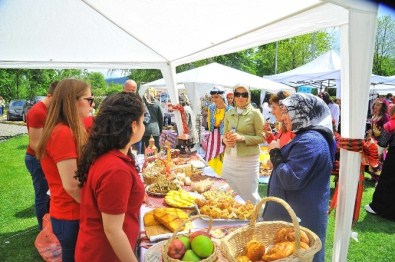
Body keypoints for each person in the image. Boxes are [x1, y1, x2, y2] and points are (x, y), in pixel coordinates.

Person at [262, 93, 335, 262]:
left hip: (301, 215)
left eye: (288, 111)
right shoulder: (308, 137)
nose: (284, 117)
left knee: (303, 256)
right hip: (297, 212)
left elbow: (290, 179)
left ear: (304, 113)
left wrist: (275, 153)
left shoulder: (311, 141)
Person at [75, 93, 145, 262]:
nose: (144, 126)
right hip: (105, 254)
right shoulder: (116, 169)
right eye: (143, 121)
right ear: (133, 126)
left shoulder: (110, 156)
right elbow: (113, 230)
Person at [36, 78, 94, 262]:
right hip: (70, 214)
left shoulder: (67, 129)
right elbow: (71, 184)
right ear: (74, 101)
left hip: (69, 213)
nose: (93, 104)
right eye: (90, 99)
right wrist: (94, 209)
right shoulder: (62, 133)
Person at [222, 84, 265, 204]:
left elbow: (262, 137)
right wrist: (225, 140)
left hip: (248, 161)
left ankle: (256, 220)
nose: (241, 97)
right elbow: (225, 134)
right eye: (237, 94)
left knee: (249, 195)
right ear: (234, 96)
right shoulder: (229, 113)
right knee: (229, 193)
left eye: (244, 95)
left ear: (248, 97)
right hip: (230, 159)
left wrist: (242, 138)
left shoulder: (255, 113)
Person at [24, 81, 58, 230]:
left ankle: (50, 227)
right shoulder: (37, 112)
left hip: (46, 158)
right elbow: (35, 144)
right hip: (37, 159)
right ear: (49, 96)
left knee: (50, 195)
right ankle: (43, 229)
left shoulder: (51, 109)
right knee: (42, 195)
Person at [365, 105, 395, 221]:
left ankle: (378, 207)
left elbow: (381, 144)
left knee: (386, 181)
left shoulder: (390, 125)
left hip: (393, 157)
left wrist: (373, 153)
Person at [205, 86, 232, 175]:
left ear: (222, 97)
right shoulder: (211, 108)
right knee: (211, 156)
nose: (214, 99)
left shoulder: (230, 110)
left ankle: (222, 175)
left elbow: (230, 125)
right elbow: (209, 122)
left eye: (216, 97)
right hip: (213, 135)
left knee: (223, 156)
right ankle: (211, 174)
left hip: (224, 136)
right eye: (212, 97)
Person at [123, 79, 149, 154]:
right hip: (121, 137)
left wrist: (139, 124)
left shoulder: (140, 101)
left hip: (136, 137)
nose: (131, 93)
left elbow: (147, 116)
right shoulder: (117, 101)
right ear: (123, 88)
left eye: (133, 91)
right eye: (128, 90)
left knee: (136, 158)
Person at [142, 87, 163, 152]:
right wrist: (160, 129)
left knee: (145, 151)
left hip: (144, 130)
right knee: (155, 151)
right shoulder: (156, 103)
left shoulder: (141, 103)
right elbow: (161, 117)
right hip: (155, 130)